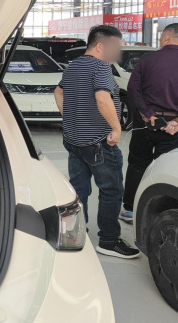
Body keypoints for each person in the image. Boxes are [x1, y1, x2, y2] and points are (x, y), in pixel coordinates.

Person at [54, 25, 140, 259]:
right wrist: (116, 127)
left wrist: (69, 117)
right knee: (111, 190)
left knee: (78, 189)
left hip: (73, 140)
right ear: (101, 46)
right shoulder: (101, 67)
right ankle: (109, 241)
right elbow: (102, 98)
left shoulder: (73, 66)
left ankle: (77, 233)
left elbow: (58, 92)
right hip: (98, 143)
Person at [120, 23, 178, 221]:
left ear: (166, 37)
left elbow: (133, 89)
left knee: (138, 163)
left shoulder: (147, 60)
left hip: (146, 122)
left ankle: (130, 209)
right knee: (166, 166)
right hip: (175, 125)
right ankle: (160, 209)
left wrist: (146, 113)